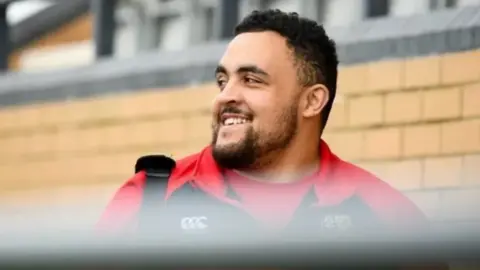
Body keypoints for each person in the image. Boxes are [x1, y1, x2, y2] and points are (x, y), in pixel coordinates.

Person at [97, 9, 434, 266]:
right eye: (222, 80)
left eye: (251, 80)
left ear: (311, 101)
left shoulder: (383, 212)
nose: (225, 96)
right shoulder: (148, 199)